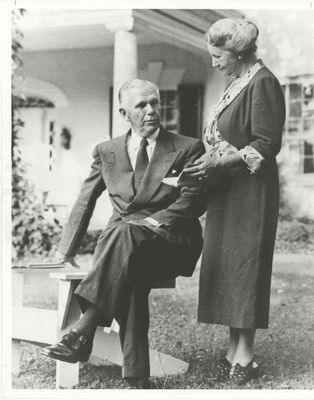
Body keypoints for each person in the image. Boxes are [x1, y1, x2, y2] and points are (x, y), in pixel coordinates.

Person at [41, 79, 207, 389]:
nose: (151, 111)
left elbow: (191, 202)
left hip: (170, 240)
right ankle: (136, 376)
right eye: (141, 106)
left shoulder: (187, 147)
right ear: (124, 112)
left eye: (155, 103)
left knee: (126, 238)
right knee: (129, 267)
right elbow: (84, 201)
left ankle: (82, 331)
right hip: (124, 247)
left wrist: (151, 223)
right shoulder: (106, 151)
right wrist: (65, 251)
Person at [183, 18, 286, 385]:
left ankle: (245, 357)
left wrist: (217, 161)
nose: (213, 63)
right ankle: (233, 348)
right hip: (226, 190)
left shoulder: (263, 83)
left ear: (238, 53)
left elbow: (265, 143)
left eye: (217, 55)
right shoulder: (238, 83)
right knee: (227, 267)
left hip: (250, 192)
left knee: (245, 269)